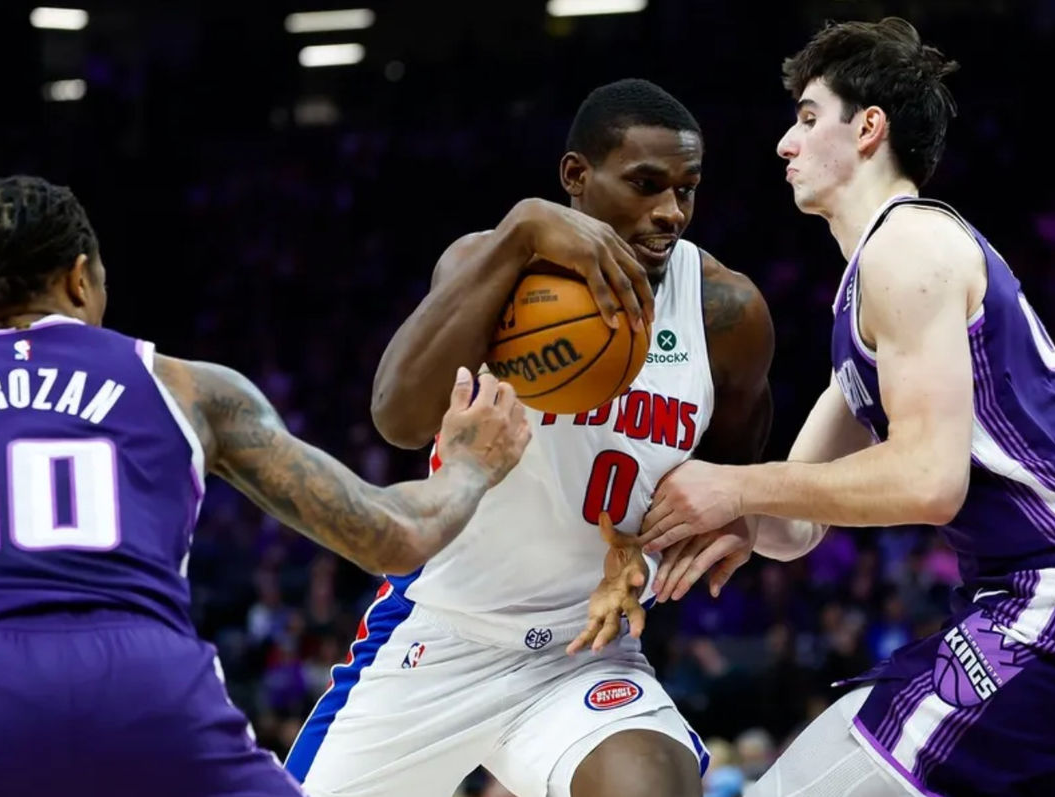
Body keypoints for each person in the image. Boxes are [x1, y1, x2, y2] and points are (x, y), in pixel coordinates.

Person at [0, 175, 530, 797]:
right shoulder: (187, 388)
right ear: (81, 278)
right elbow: (397, 537)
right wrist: (469, 465)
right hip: (143, 686)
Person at [638, 17, 1055, 797]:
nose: (783, 145)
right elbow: (796, 528)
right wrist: (734, 518)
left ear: (869, 128)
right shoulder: (865, 292)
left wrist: (735, 486)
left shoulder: (909, 246)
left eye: (806, 117)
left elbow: (929, 481)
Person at [284, 78, 774, 797]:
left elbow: (721, 488)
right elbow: (397, 416)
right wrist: (521, 231)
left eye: (686, 189)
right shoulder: (488, 265)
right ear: (577, 176)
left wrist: (642, 553)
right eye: (645, 184)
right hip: (440, 638)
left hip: (586, 656)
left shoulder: (725, 313)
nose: (670, 212)